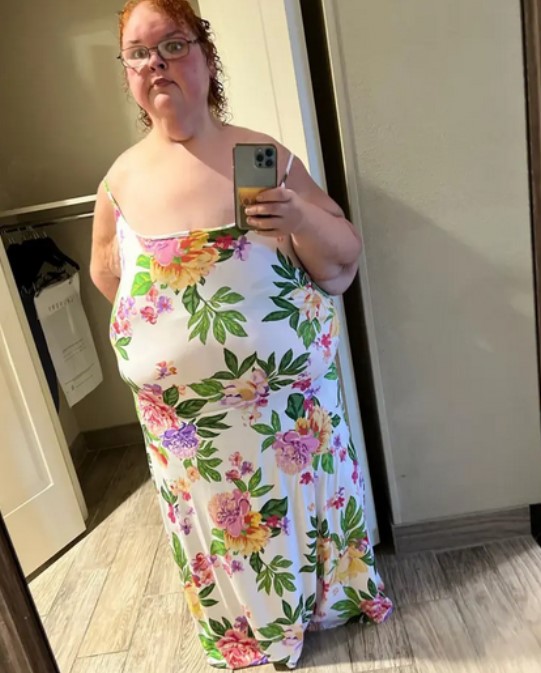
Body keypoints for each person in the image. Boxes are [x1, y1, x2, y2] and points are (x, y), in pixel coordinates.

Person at [90, 0, 393, 669]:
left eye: (172, 44)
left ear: (206, 54)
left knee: (296, 508)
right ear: (127, 73)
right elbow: (111, 276)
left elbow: (343, 255)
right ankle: (248, 629)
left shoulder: (260, 154)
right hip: (190, 435)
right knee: (224, 530)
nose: (155, 63)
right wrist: (169, 347)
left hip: (287, 416)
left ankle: (325, 605)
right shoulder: (118, 181)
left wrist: (297, 219)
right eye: (138, 53)